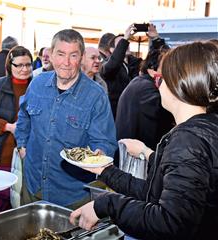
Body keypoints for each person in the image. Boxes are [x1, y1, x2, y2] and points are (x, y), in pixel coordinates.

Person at [70, 41, 218, 239]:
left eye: (162, 79)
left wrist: (107, 205)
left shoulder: (188, 141)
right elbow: (155, 192)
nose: (159, 85)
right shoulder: (205, 128)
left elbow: (169, 222)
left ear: (178, 84)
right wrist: (105, 170)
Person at [15, 29, 117, 209]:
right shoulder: (37, 84)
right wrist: (22, 145)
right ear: (51, 55)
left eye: (73, 55)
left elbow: (104, 141)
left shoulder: (96, 96)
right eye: (61, 54)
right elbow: (24, 116)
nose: (66, 62)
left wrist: (98, 155)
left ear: (82, 57)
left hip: (72, 196)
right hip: (32, 186)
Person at [0, 46, 33, 213]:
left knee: (25, 201)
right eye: (19, 65)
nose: (24, 69)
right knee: (3, 201)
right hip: (2, 155)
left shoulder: (37, 86)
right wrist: (9, 127)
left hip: (30, 155)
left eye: (28, 64)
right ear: (9, 66)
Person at [115, 48, 174, 149]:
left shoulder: (140, 83)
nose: (171, 71)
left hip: (133, 151)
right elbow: (164, 121)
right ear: (152, 69)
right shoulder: (149, 89)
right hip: (138, 155)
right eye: (166, 67)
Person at [99, 25, 142, 119]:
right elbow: (113, 65)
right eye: (121, 44)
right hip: (116, 116)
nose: (126, 45)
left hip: (134, 113)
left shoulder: (135, 64)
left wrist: (155, 39)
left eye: (127, 42)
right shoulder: (107, 65)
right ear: (112, 50)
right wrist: (125, 39)